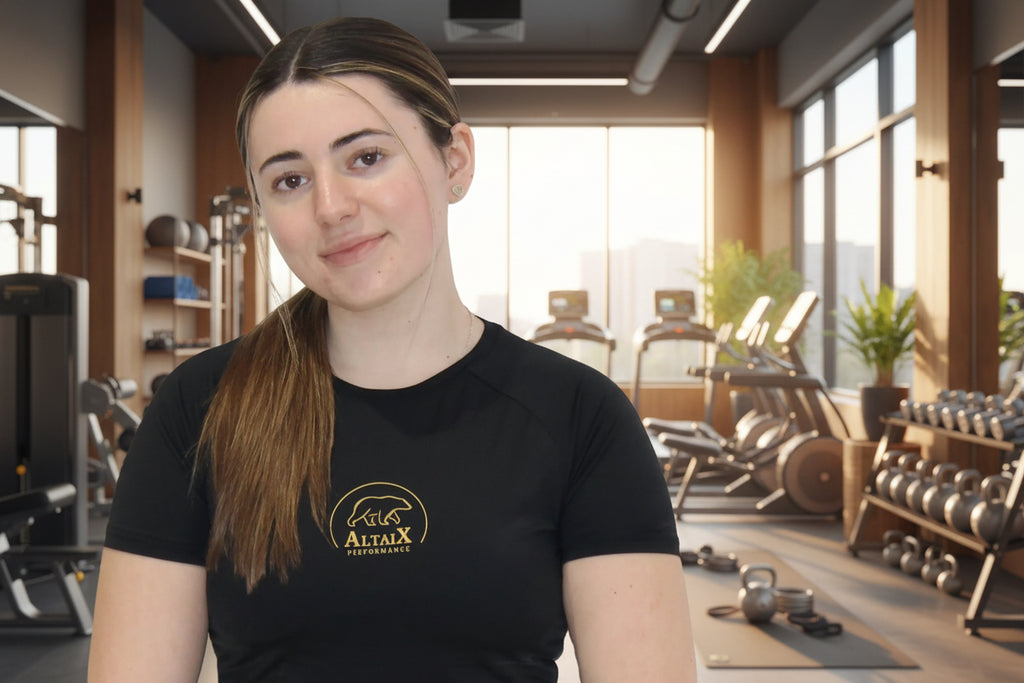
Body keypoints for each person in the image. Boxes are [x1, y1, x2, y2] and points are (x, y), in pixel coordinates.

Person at [87, 16, 696, 682]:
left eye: (366, 158)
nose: (331, 207)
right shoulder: (199, 410)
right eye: (290, 180)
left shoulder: (581, 417)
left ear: (454, 160)